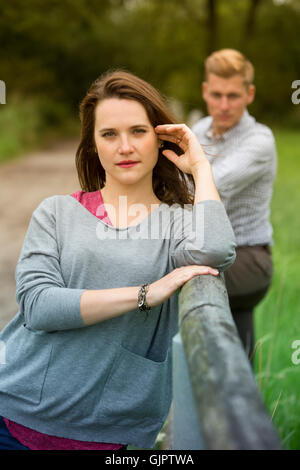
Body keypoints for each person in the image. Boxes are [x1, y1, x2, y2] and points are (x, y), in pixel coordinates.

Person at [0, 70, 236, 450]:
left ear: (160, 138)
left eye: (138, 131)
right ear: (93, 145)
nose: (124, 146)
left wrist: (201, 167)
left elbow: (216, 251)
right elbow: (38, 306)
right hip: (15, 418)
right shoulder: (57, 212)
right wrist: (145, 294)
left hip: (110, 433)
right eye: (109, 134)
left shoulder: (177, 223)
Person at [192, 49, 277, 363]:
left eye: (233, 95)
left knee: (181, 273)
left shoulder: (260, 140)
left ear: (249, 94)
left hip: (248, 257)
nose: (223, 105)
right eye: (216, 95)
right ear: (205, 91)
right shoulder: (199, 131)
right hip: (210, 248)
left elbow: (209, 184)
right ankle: (238, 400)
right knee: (236, 360)